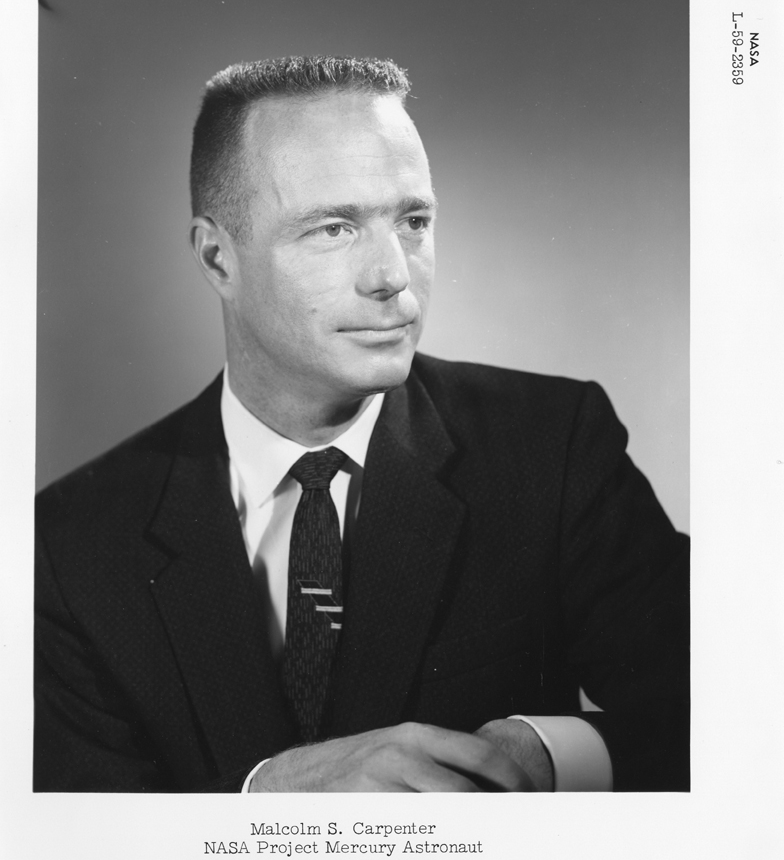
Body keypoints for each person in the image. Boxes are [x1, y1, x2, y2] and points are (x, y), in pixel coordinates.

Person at [34, 56, 689, 793]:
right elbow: (77, 845)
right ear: (218, 259)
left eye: (414, 221)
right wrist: (267, 798)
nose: (392, 275)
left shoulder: (554, 448)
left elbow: (735, 708)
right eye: (333, 228)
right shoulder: (67, 545)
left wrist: (541, 752)